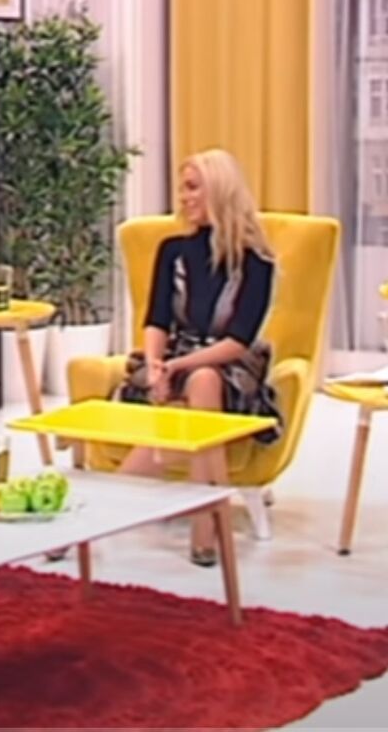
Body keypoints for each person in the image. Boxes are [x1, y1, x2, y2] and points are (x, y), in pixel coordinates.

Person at [114, 149, 282, 567]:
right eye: (182, 189)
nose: (184, 197)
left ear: (219, 190)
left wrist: (179, 367)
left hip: (230, 365)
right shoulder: (172, 250)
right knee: (191, 393)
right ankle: (209, 519)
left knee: (205, 379)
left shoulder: (256, 261)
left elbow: (239, 340)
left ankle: (99, 512)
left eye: (192, 188)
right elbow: (156, 319)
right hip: (176, 354)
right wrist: (157, 365)